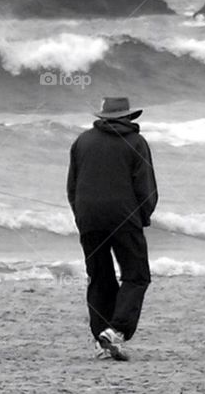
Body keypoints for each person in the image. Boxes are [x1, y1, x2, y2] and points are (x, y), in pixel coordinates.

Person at [66, 97, 158, 361]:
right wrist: (144, 216)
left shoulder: (82, 141)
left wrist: (80, 215)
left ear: (104, 116)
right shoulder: (136, 142)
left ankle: (101, 340)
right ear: (128, 117)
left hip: (88, 216)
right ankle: (116, 330)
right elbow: (145, 187)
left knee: (99, 276)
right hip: (124, 216)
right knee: (136, 275)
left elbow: (72, 185)